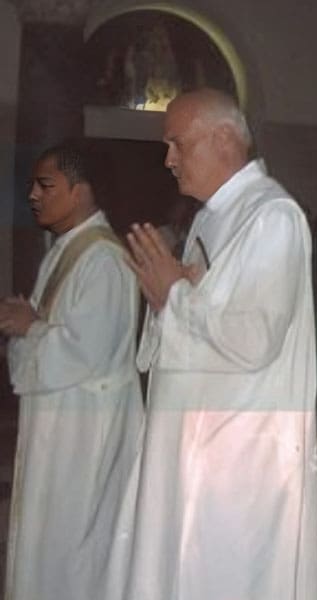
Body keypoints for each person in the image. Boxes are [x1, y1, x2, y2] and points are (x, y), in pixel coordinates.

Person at [125, 88, 317, 600]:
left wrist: (176, 294)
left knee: (225, 573)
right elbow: (188, 316)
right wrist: (168, 294)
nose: (168, 160)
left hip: (238, 450)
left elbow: (254, 339)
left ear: (224, 138)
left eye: (177, 144)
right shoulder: (212, 216)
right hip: (193, 441)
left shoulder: (271, 216)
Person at [0, 142, 143, 600]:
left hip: (86, 433)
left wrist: (31, 327)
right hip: (61, 425)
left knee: (77, 550)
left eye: (46, 185)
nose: (34, 196)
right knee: (51, 545)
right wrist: (32, 322)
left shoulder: (104, 259)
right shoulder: (69, 249)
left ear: (79, 191)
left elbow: (87, 352)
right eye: (32, 187)